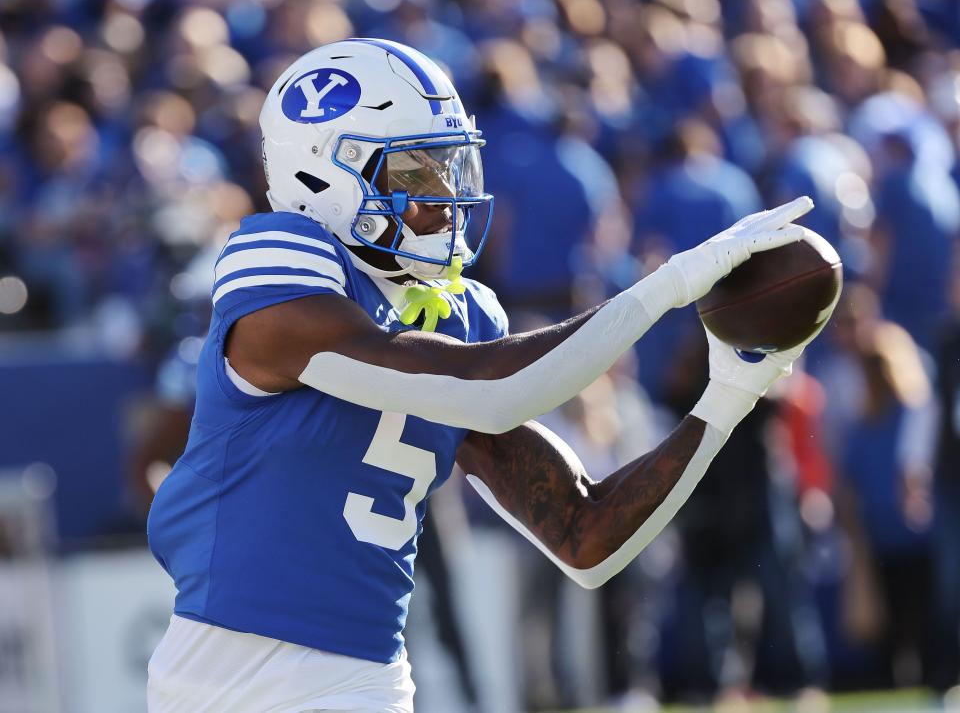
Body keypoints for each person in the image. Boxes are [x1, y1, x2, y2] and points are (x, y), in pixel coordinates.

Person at [145, 39, 830, 712]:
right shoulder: (279, 259)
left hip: (361, 682)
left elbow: (583, 535)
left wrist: (729, 397)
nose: (446, 196)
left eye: (451, 167)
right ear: (325, 173)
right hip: (223, 671)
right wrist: (673, 283)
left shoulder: (459, 314)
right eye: (416, 172)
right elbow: (495, 390)